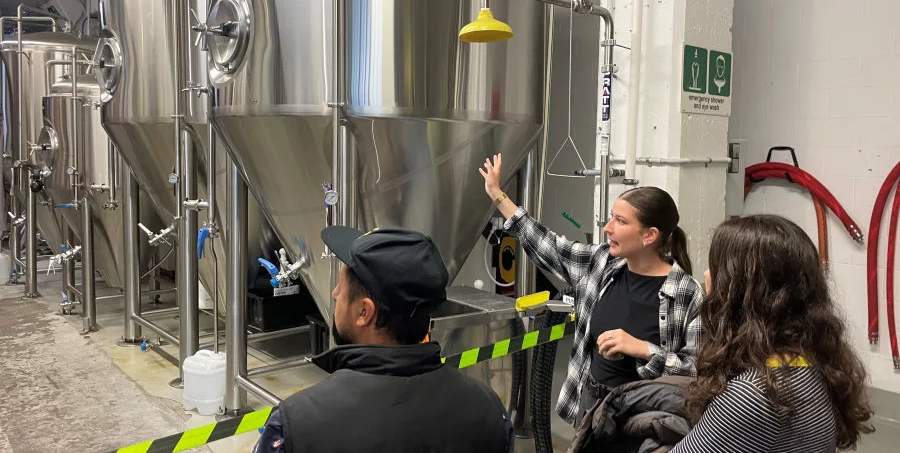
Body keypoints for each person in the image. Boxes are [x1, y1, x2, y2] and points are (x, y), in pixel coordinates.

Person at [479, 153, 704, 426]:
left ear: (649, 235)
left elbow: (696, 370)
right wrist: (497, 195)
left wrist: (644, 350)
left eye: (620, 221)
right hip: (591, 407)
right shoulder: (602, 263)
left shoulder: (686, 293)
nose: (608, 228)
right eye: (611, 217)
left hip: (644, 418)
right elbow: (549, 245)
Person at [254, 226, 514, 453]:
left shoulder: (295, 426)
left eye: (341, 288)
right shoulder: (491, 411)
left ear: (364, 312)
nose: (334, 294)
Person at [672, 215, 874, 453]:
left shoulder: (753, 395)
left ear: (739, 291)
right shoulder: (815, 365)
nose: (707, 275)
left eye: (716, 269)